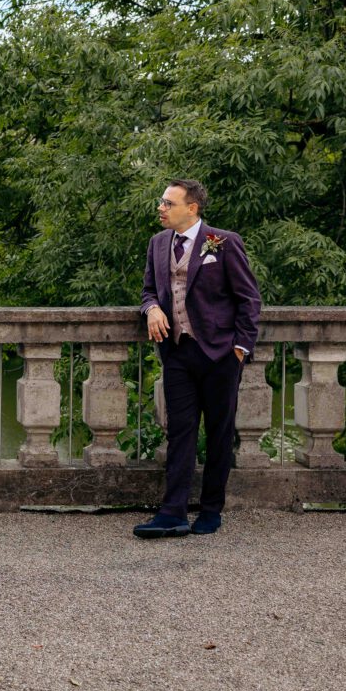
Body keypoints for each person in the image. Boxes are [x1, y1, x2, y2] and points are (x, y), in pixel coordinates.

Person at [134, 179, 261, 539]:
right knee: (180, 433)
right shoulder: (157, 244)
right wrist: (152, 307)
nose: (161, 208)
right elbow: (146, 290)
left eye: (168, 203)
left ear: (192, 208)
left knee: (219, 434)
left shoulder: (223, 242)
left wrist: (240, 350)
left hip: (220, 354)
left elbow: (249, 299)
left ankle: (210, 510)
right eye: (161, 202)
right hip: (177, 352)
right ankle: (172, 513)